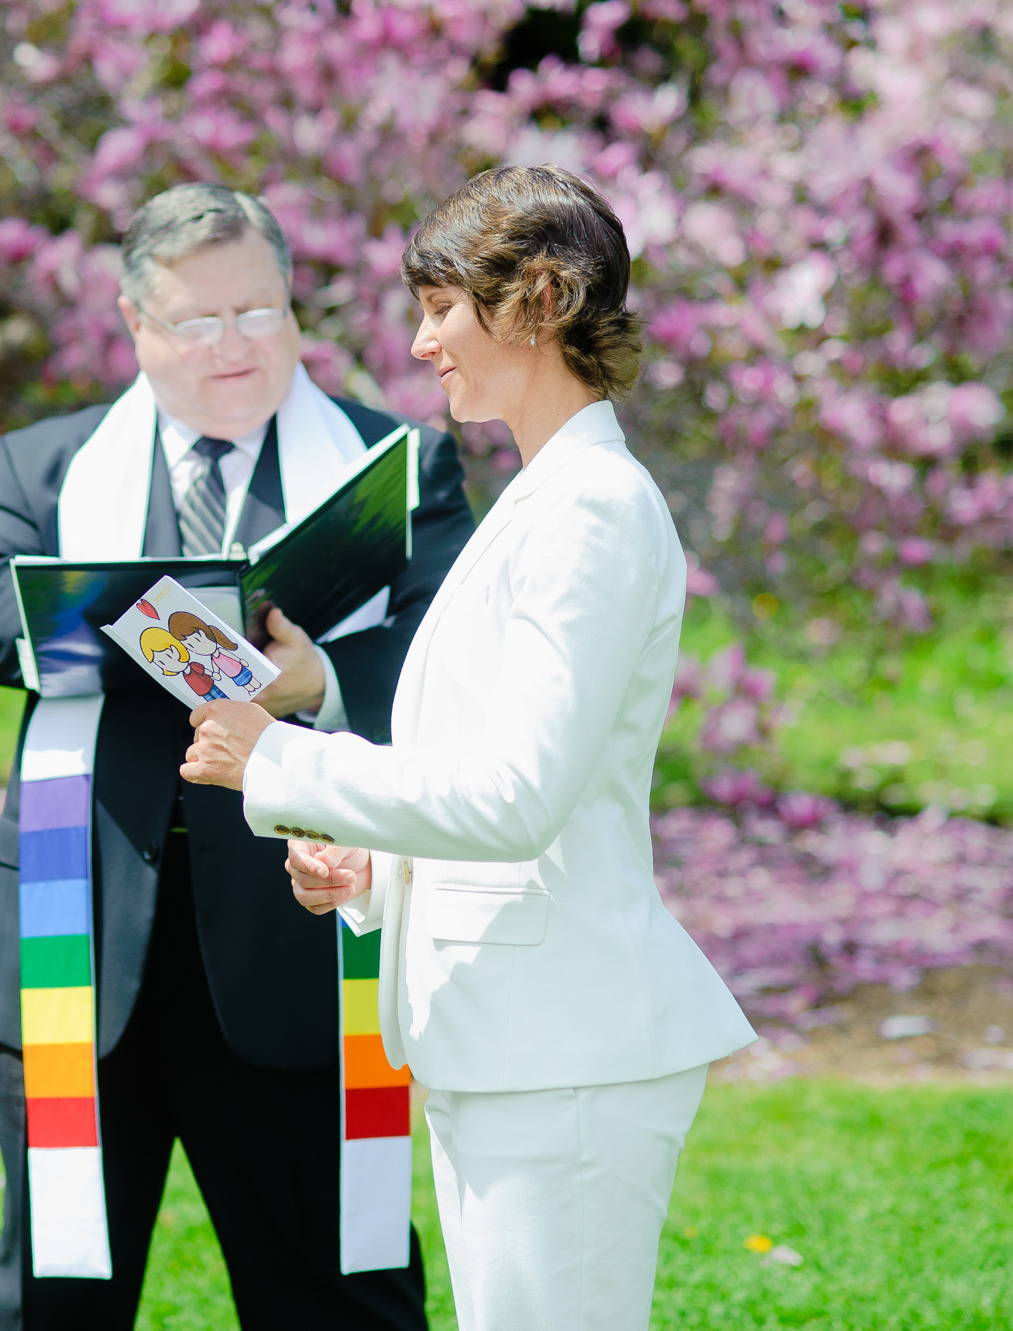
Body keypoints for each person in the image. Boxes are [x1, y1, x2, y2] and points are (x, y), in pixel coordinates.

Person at [180, 165, 758, 1330]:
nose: (421, 339)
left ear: (539, 298)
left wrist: (280, 764)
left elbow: (516, 795)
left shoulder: (589, 505)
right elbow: (495, 773)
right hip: (511, 1043)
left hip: (564, 1052)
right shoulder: (544, 495)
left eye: (442, 306)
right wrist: (366, 866)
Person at [0, 182, 475, 1331]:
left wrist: (315, 682)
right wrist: (160, 631)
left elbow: (448, 643)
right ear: (136, 324)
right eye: (197, 321)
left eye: (259, 312)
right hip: (82, 940)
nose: (234, 346)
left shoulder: (390, 463)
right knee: (53, 1295)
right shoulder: (47, 466)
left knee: (339, 1291)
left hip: (296, 934)